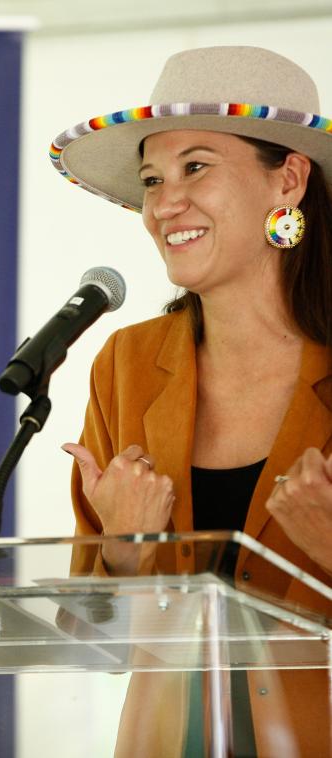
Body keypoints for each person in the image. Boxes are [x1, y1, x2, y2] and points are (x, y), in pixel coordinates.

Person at [53, 46, 332, 757]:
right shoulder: (127, 365)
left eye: (196, 168)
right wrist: (119, 553)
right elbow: (95, 644)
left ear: (288, 181)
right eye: (151, 179)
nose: (163, 203)